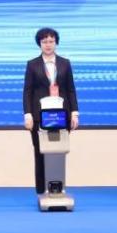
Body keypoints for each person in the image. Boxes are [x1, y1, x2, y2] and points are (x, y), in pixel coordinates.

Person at [22, 27, 79, 193]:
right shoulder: (32, 64)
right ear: (39, 44)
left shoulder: (65, 63)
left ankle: (59, 188)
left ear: (56, 43)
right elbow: (27, 91)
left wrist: (75, 113)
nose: (48, 44)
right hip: (39, 116)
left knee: (59, 151)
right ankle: (42, 190)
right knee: (40, 152)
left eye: (51, 41)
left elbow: (70, 89)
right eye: (44, 41)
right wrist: (28, 114)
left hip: (62, 115)